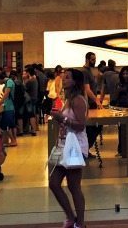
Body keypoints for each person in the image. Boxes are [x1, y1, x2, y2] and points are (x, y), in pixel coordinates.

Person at [49, 68, 89, 228]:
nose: (63, 80)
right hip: (64, 145)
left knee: (73, 185)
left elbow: (80, 125)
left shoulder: (78, 100)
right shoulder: (67, 99)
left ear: (74, 82)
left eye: (67, 78)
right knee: (54, 183)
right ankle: (71, 217)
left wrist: (63, 119)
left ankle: (79, 222)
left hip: (75, 147)